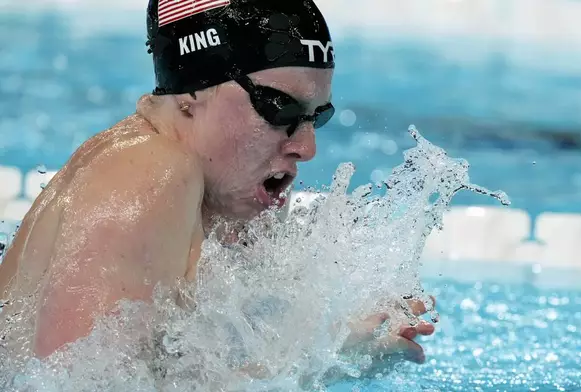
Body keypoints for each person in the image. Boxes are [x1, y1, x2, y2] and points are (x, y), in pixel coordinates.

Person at [0, 0, 435, 376]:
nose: (307, 146)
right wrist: (323, 351)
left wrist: (346, 347)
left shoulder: (225, 199)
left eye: (316, 117)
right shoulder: (151, 174)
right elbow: (74, 384)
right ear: (191, 94)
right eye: (278, 108)